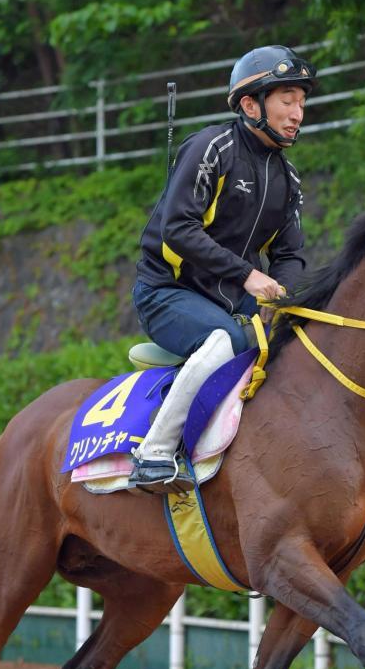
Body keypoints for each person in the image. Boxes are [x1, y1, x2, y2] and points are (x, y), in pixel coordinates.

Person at [129, 44, 317, 492]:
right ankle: (154, 454)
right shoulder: (210, 147)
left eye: (302, 104)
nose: (297, 114)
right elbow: (178, 229)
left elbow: (290, 254)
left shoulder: (288, 180)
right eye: (287, 101)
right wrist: (249, 276)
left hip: (231, 299)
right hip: (166, 293)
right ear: (251, 105)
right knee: (225, 339)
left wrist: (283, 300)